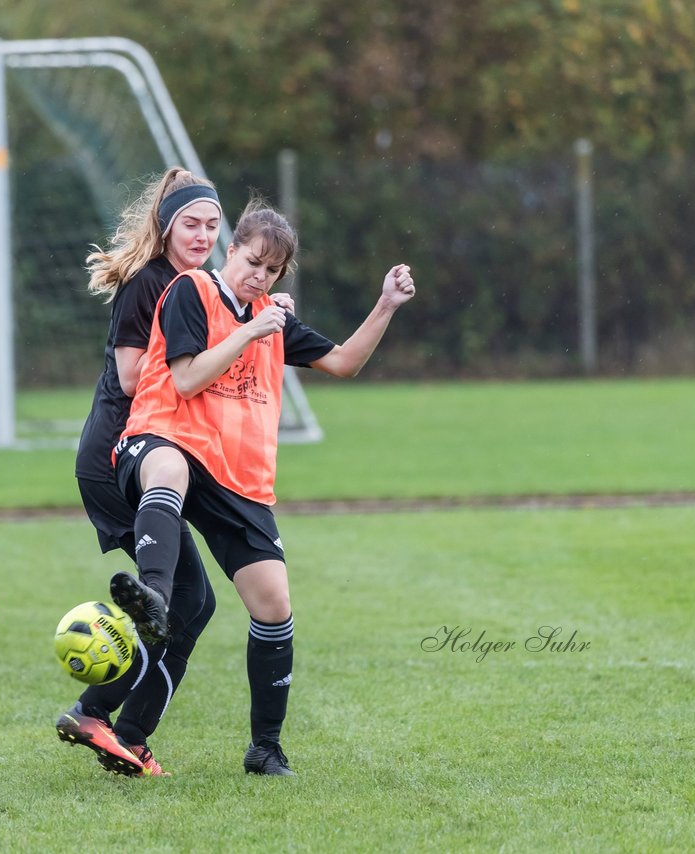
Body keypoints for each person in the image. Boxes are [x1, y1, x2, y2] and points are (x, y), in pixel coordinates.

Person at [112, 199, 416, 776]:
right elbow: (186, 376)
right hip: (164, 437)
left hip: (238, 477)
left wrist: (385, 305)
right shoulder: (191, 292)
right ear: (233, 249)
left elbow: (346, 362)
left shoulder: (272, 320)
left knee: (274, 604)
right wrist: (252, 329)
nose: (259, 276)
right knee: (169, 470)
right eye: (252, 262)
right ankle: (152, 596)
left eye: (272, 271)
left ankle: (265, 748)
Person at [57, 169, 226, 778]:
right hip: (116, 459)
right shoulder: (148, 282)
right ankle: (102, 716)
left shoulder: (198, 282)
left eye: (211, 224)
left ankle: (119, 727)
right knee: (184, 599)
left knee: (193, 602)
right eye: (191, 223)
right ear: (166, 225)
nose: (203, 234)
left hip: (145, 454)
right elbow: (132, 378)